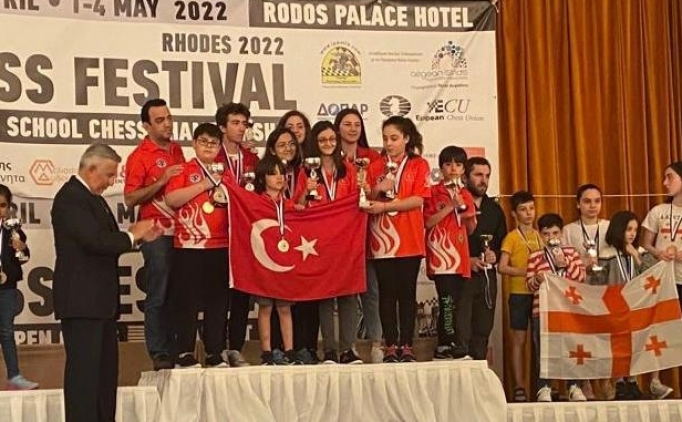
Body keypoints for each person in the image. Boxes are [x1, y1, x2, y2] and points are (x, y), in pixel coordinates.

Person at [52, 143, 161, 422]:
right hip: (82, 302)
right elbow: (93, 241)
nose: (112, 182)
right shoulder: (71, 197)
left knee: (104, 380)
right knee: (85, 380)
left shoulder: (94, 199)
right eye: (109, 175)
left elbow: (106, 241)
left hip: (100, 303)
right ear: (91, 169)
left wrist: (137, 237)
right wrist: (131, 235)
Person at [124, 98, 185, 370]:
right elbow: (129, 199)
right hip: (155, 233)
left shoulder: (177, 150)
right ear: (146, 126)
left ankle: (177, 350)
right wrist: (161, 181)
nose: (167, 124)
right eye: (160, 120)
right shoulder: (139, 156)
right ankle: (159, 352)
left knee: (178, 294)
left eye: (169, 118)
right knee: (158, 293)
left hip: (182, 231)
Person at [364, 116, 430, 363]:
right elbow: (367, 198)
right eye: (385, 138)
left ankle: (407, 344)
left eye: (394, 138)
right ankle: (390, 344)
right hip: (382, 238)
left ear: (406, 138)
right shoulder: (375, 166)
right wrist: (378, 189)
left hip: (409, 238)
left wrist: (387, 206)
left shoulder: (419, 164)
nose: (389, 143)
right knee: (386, 293)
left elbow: (419, 199)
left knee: (407, 293)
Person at [165, 123, 231, 368]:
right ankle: (185, 351)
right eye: (203, 141)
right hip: (188, 245)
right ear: (194, 143)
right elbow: (172, 199)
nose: (209, 147)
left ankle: (214, 351)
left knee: (217, 301)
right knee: (187, 300)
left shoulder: (226, 173)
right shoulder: (183, 169)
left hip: (220, 244)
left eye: (214, 143)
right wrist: (204, 184)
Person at [295, 121, 361, 364]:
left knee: (348, 294)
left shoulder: (348, 169)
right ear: (315, 142)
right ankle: (330, 350)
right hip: (320, 240)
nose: (328, 143)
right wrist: (307, 190)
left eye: (332, 139)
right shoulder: (306, 171)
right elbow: (299, 206)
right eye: (322, 140)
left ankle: (348, 348)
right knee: (325, 295)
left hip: (346, 238)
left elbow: (357, 201)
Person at [601, 211, 673, 400]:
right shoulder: (606, 253)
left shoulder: (640, 252)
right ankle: (618, 382)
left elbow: (653, 275)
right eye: (628, 229)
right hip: (614, 306)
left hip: (637, 306)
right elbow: (598, 280)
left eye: (634, 230)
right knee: (618, 345)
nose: (632, 234)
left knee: (635, 344)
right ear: (618, 229)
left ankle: (632, 381)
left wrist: (636, 255)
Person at [334, 108, 383, 362]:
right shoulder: (331, 158)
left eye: (357, 124)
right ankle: (348, 345)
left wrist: (372, 189)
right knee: (346, 293)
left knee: (371, 290)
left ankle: (377, 343)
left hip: (367, 233)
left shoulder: (372, 157)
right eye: (347, 124)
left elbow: (378, 195)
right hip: (341, 235)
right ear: (337, 127)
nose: (353, 129)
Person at [215, 102, 259, 367]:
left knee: (242, 292)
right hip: (219, 233)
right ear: (222, 127)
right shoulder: (212, 157)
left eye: (244, 123)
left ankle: (236, 347)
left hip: (244, 233)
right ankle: (217, 347)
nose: (241, 128)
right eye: (235, 123)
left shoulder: (252, 158)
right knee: (220, 293)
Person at [525, 213, 586, 402]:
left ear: (561, 233)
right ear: (540, 235)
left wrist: (565, 264)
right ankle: (544, 387)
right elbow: (529, 286)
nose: (551, 238)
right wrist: (537, 279)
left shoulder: (571, 253)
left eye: (555, 233)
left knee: (571, 348)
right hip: (542, 311)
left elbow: (581, 278)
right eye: (546, 234)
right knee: (544, 350)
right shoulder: (535, 256)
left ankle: (574, 386)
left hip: (569, 311)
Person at [423, 146, 476, 360]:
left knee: (456, 302)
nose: (453, 168)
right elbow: (428, 222)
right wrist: (450, 206)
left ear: (463, 169)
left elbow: (470, 229)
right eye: (448, 164)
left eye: (458, 164)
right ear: (441, 167)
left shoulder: (466, 193)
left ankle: (455, 342)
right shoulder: (433, 192)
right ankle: (444, 343)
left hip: (460, 256)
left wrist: (467, 214)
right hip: (441, 255)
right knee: (446, 300)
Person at [561, 183, 610, 399]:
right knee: (582, 338)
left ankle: (607, 382)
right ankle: (585, 381)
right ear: (578, 204)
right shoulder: (569, 230)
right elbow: (562, 261)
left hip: (605, 289)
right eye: (587, 201)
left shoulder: (609, 227)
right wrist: (582, 262)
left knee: (605, 337)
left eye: (597, 201)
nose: (592, 206)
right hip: (580, 291)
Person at [253, 157, 301, 365]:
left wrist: (301, 211)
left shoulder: (288, 204)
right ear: (262, 178)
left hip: (283, 262)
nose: (279, 177)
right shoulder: (255, 202)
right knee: (265, 308)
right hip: (263, 262)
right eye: (273, 173)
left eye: (282, 172)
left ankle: (289, 350)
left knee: (284, 308)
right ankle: (266, 352)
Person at [640, 162, 682, 399]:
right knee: (659, 328)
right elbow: (645, 243)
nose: (665, 182)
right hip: (663, 280)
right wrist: (659, 253)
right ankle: (655, 380)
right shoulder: (658, 211)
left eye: (670, 177)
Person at [498, 191, 542, 402]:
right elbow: (502, 267)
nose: (529, 213)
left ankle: (543, 386)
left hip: (539, 295)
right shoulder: (512, 237)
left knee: (541, 341)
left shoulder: (540, 236)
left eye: (531, 208)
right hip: (519, 295)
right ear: (514, 214)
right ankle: (519, 387)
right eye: (523, 210)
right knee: (519, 341)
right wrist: (526, 271)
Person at [462, 157, 507, 361]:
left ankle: (479, 370)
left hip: (487, 277)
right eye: (478, 175)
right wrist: (467, 260)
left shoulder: (494, 209)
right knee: (460, 329)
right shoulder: (457, 205)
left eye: (487, 175)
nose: (484, 180)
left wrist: (495, 255)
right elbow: (446, 242)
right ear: (465, 177)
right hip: (461, 276)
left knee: (483, 329)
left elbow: (502, 242)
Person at [0, 185, 38, 390]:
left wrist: (21, 249)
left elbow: (23, 259)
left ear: (8, 207)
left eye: (2, 205)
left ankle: (14, 375)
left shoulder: (14, 231)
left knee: (6, 331)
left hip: (7, 288)